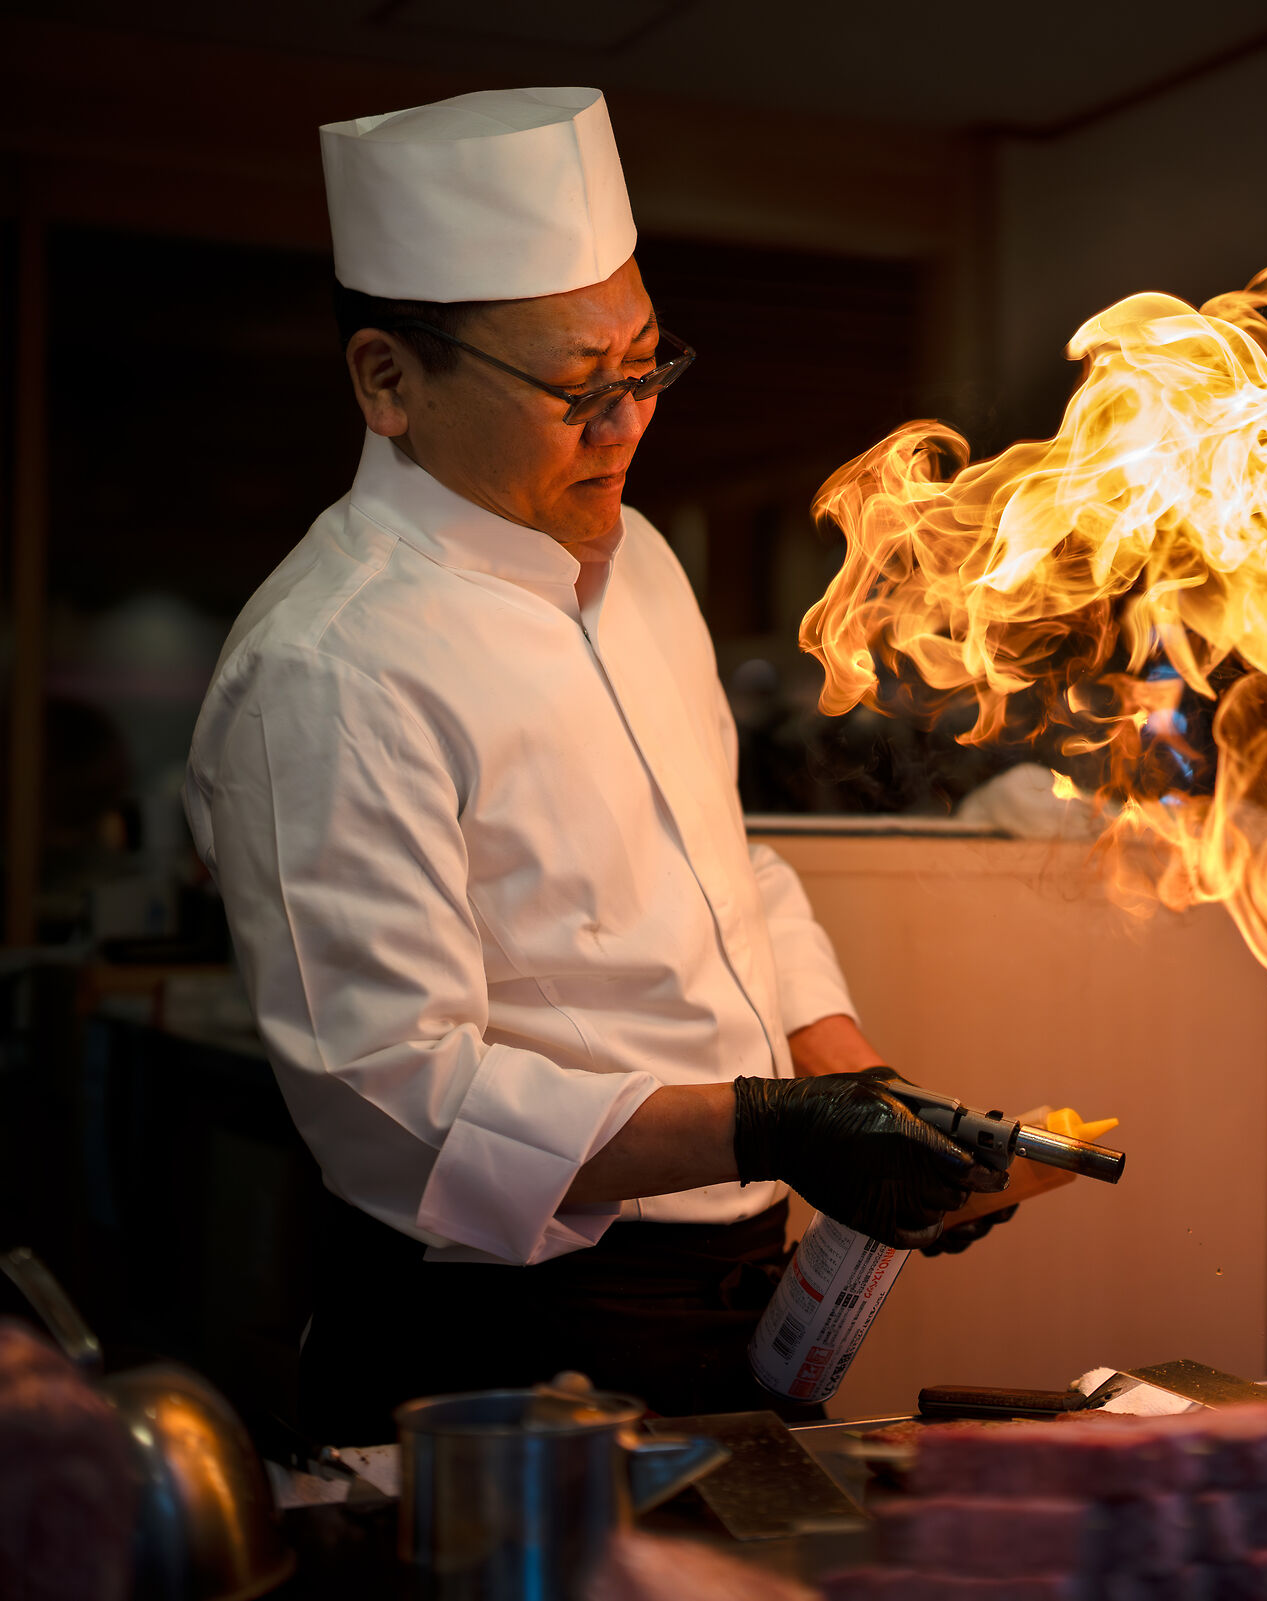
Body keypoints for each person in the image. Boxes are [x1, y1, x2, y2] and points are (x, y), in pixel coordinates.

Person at [183, 87, 1007, 1444]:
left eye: (645, 367)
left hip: (736, 1285)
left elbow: (717, 868)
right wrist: (771, 1125)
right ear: (388, 381)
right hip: (506, 1328)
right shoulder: (328, 664)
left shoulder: (639, 565)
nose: (629, 426)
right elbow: (397, 1103)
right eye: (577, 390)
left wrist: (859, 1091)